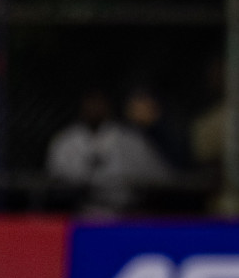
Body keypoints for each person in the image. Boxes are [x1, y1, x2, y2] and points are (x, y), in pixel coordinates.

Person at [45, 89, 173, 215]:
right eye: (90, 102)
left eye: (98, 102)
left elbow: (160, 176)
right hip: (78, 214)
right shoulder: (66, 140)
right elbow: (54, 180)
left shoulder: (129, 139)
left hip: (124, 214)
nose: (94, 108)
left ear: (108, 105)